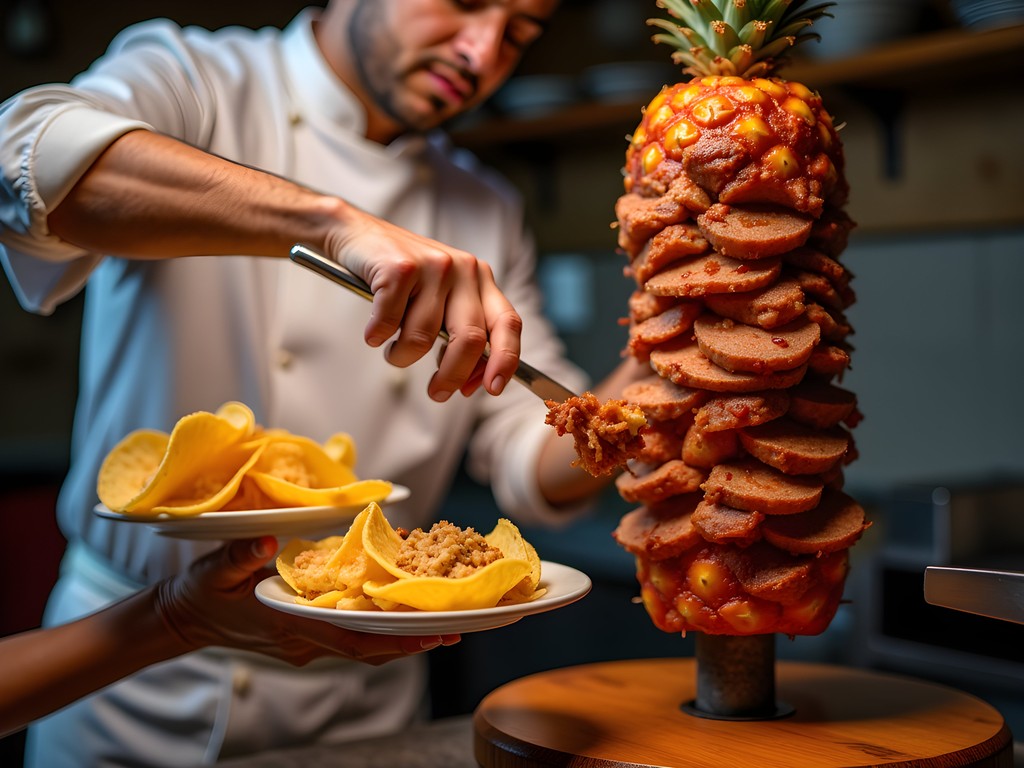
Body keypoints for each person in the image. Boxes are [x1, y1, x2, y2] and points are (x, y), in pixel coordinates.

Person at [0, 0, 642, 764]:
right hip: (126, 685)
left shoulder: (487, 209)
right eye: (464, 3)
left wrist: (656, 370)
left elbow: (527, 449)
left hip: (359, 692)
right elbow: (28, 157)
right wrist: (331, 224)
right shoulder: (197, 79)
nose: (482, 52)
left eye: (520, 34)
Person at [0, 536, 460, 740]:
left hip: (363, 721)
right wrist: (173, 617)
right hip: (123, 722)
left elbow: (498, 427)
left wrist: (174, 617)